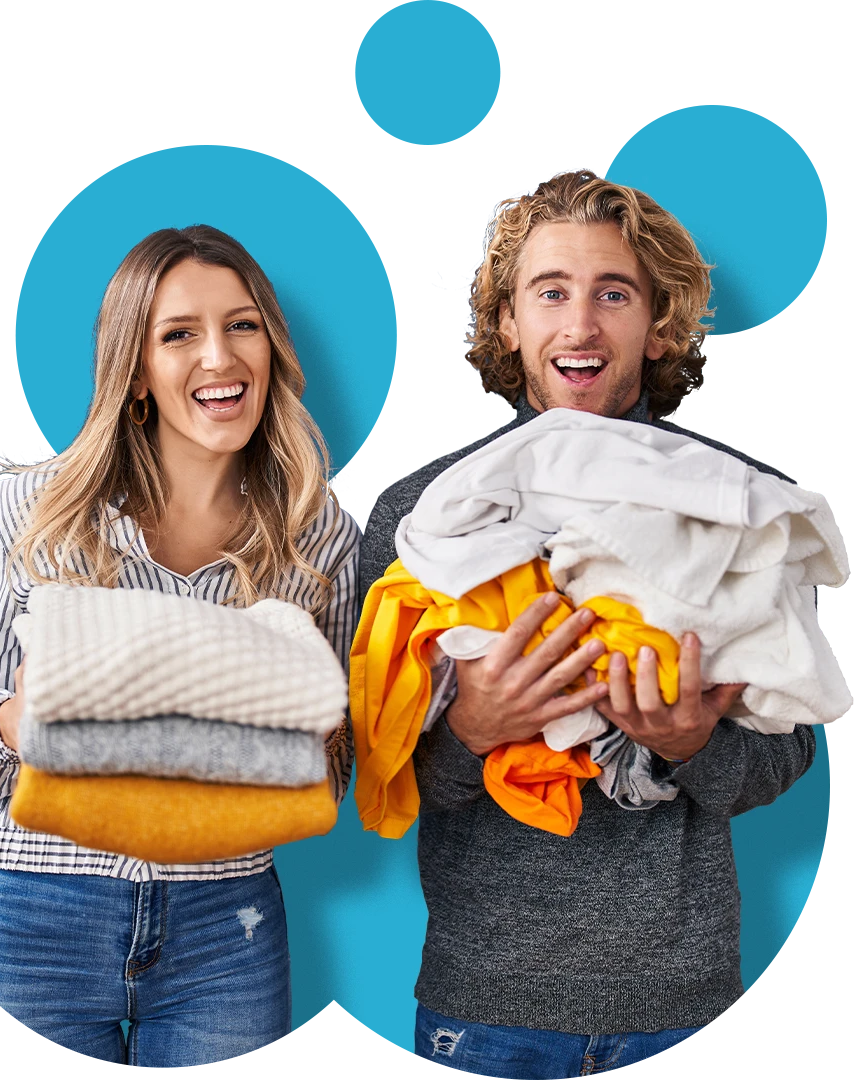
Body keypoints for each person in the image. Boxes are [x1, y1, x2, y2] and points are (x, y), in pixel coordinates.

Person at [358, 170, 817, 1078]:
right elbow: (371, 763)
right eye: (551, 293)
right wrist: (471, 732)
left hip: (681, 1015)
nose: (580, 326)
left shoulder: (737, 499)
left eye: (614, 294)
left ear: (658, 326)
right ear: (506, 322)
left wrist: (694, 746)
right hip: (484, 1011)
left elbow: (788, 747)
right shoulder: (427, 515)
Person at [0, 226, 359, 1071]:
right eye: (178, 334)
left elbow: (333, 768)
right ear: (134, 368)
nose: (218, 357)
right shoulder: (33, 514)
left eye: (242, 325)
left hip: (226, 928)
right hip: (35, 914)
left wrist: (298, 746)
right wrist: (29, 723)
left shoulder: (320, 542)